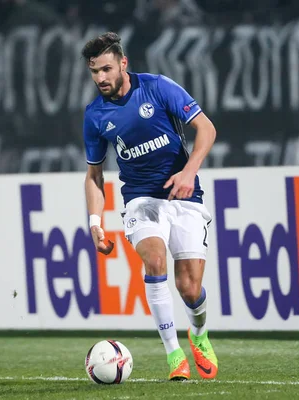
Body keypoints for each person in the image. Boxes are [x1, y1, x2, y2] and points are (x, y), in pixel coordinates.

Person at [81, 32, 217, 381]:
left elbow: (206, 128)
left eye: (107, 69)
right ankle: (174, 355)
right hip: (141, 199)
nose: (101, 78)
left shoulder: (158, 88)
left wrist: (189, 172)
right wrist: (95, 221)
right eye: (94, 71)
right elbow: (94, 176)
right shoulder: (95, 115)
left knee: (189, 288)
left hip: (183, 194)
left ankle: (198, 334)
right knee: (154, 259)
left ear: (123, 63)